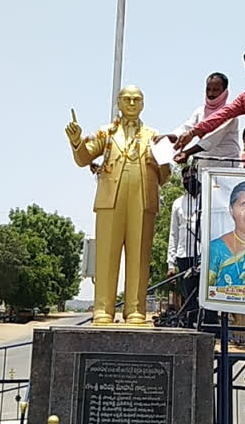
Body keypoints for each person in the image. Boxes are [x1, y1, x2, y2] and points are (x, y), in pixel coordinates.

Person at [65, 85, 171, 325]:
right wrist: (76, 141)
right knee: (106, 256)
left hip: (143, 200)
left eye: (137, 100)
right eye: (127, 99)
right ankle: (103, 309)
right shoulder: (106, 133)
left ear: (143, 104)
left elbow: (165, 177)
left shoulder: (154, 136)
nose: (132, 104)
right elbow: (84, 159)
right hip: (110, 199)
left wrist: (159, 161)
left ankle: (135, 309)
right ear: (118, 103)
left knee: (139, 256)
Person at [158, 72, 240, 168]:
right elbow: (186, 129)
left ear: (224, 91)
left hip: (226, 167)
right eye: (208, 89)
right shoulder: (200, 111)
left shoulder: (229, 114)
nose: (211, 94)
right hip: (204, 167)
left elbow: (211, 140)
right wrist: (168, 137)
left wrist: (187, 153)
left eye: (215, 90)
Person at [167, 166, 201, 311]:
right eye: (185, 178)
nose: (189, 181)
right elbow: (173, 234)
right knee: (189, 298)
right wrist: (170, 263)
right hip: (184, 255)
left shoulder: (207, 199)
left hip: (202, 254)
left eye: (192, 177)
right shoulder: (178, 203)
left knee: (205, 294)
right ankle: (191, 327)